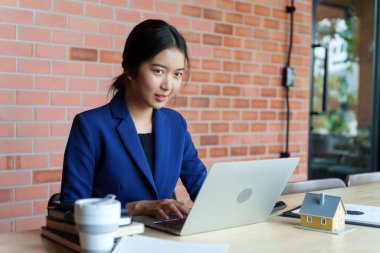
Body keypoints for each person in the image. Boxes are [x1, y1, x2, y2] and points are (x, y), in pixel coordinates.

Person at [60, 19, 207, 220]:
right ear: (130, 69)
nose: (168, 85)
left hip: (164, 241)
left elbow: (202, 187)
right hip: (112, 243)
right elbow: (70, 208)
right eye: (158, 71)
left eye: (177, 74)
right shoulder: (91, 126)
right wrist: (133, 208)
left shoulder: (176, 124)